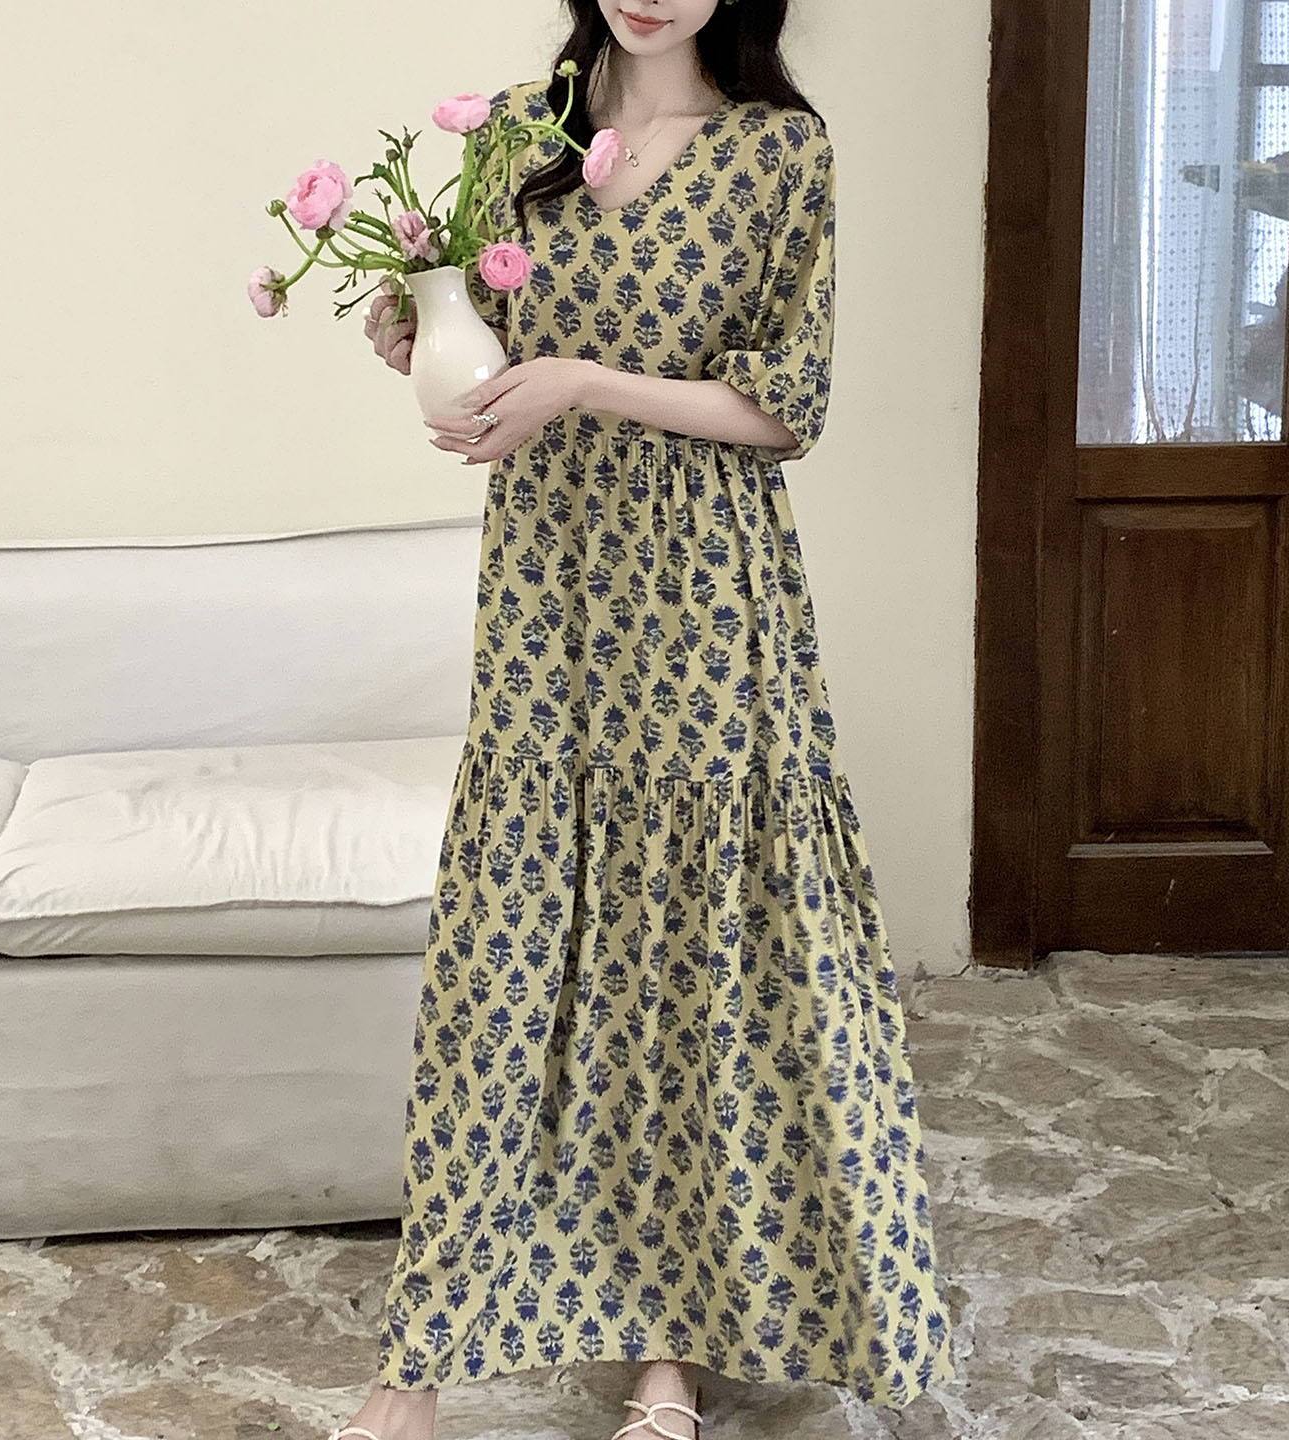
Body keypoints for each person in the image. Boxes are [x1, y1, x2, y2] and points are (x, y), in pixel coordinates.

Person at [336, 2, 956, 1436]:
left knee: (691, 958)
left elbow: (788, 404)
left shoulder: (781, 152)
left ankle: (668, 1351)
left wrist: (583, 385)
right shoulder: (516, 138)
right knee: (511, 956)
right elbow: (489, 353)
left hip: (704, 589)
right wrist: (421, 326)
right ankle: (413, 1365)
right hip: (550, 583)